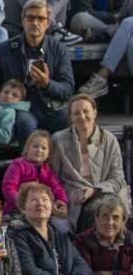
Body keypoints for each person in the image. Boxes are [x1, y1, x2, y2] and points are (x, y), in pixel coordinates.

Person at [0, 0, 73, 146]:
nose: (35, 23)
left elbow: (68, 89)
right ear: (23, 21)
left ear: (48, 24)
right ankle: (27, 161)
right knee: (25, 123)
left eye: (40, 19)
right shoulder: (5, 49)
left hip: (51, 107)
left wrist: (47, 84)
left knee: (69, 119)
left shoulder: (59, 49)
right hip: (21, 108)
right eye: (30, 18)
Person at [50, 94, 132, 232]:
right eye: (76, 113)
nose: (82, 117)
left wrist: (94, 189)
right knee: (91, 212)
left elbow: (117, 179)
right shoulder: (59, 139)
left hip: (105, 192)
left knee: (105, 208)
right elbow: (52, 176)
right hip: (73, 194)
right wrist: (59, 199)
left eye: (86, 111)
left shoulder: (110, 140)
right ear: (70, 117)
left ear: (94, 113)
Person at [8, 183, 95, 275]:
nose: (40, 203)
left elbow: (79, 263)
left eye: (45, 200)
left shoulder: (60, 234)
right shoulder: (16, 235)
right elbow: (28, 272)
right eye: (33, 200)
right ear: (23, 208)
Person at [0, 131, 70, 220]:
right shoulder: (18, 164)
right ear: (27, 149)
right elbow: (8, 187)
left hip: (40, 210)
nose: (39, 150)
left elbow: (57, 188)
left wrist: (63, 202)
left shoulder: (47, 170)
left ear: (48, 154)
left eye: (43, 148)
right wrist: (22, 203)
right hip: (17, 210)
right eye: (35, 146)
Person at [73, 197, 133, 275]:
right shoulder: (83, 241)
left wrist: (110, 274)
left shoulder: (130, 239)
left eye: (115, 218)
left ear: (123, 221)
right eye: (105, 216)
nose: (110, 222)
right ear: (96, 218)